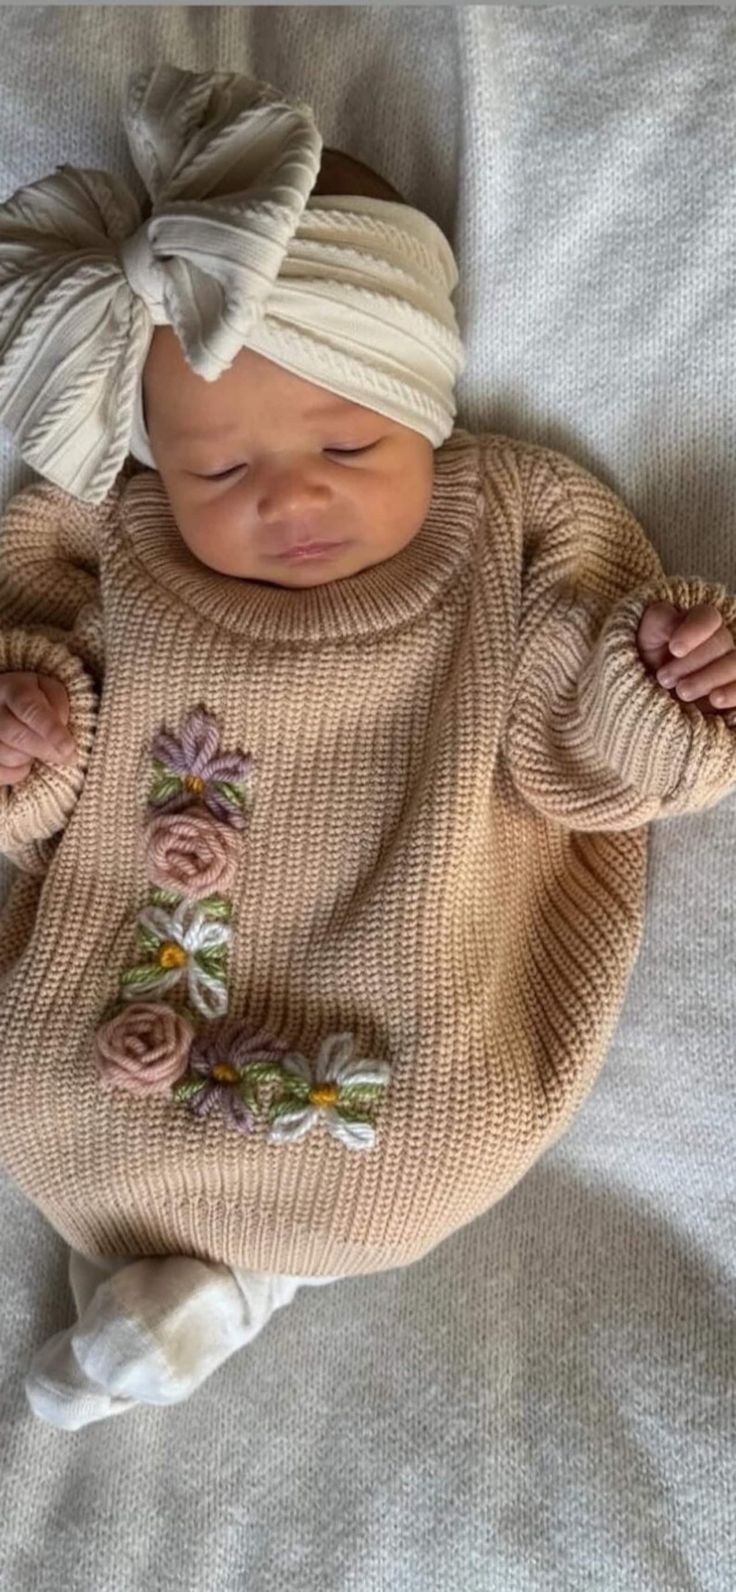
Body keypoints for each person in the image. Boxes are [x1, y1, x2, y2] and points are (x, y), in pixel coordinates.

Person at [0, 64, 735, 1432]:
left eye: (348, 437)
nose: (290, 496)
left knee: (419, 1138)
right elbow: (39, 766)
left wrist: (664, 682)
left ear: (426, 402)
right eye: (218, 469)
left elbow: (583, 767)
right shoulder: (109, 540)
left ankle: (222, 1290)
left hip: (409, 966)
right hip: (126, 976)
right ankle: (191, 1286)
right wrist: (29, 732)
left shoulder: (506, 531)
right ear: (153, 459)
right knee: (50, 1092)